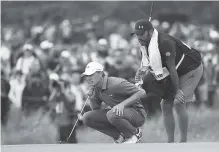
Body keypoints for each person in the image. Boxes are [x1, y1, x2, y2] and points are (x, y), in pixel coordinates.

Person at [132, 20, 203, 143]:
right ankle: (170, 144)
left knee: (179, 102)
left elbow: (171, 68)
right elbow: (150, 65)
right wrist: (141, 71)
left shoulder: (165, 42)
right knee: (164, 105)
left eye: (141, 34)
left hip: (192, 69)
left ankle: (183, 143)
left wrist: (176, 91)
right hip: (176, 71)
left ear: (150, 32)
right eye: (137, 34)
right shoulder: (145, 44)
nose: (139, 37)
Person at [81, 61, 147, 144]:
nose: (88, 78)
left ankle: (135, 133)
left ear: (101, 73)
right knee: (86, 117)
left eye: (91, 75)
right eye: (87, 76)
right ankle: (119, 136)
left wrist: (122, 105)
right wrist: (92, 98)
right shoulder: (96, 88)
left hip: (138, 114)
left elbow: (142, 92)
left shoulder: (116, 83)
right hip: (118, 115)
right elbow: (96, 109)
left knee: (111, 114)